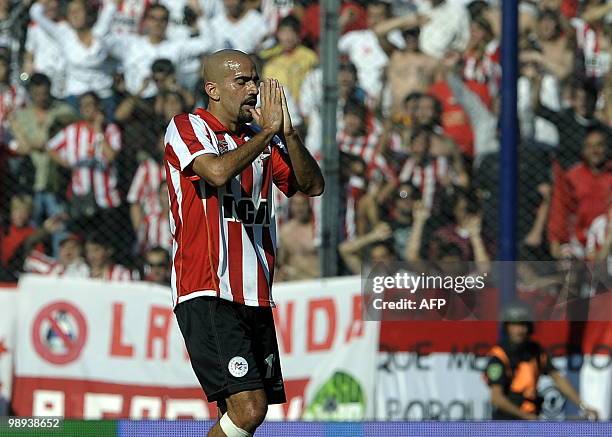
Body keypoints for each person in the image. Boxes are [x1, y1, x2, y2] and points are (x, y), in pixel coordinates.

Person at [165, 49, 323, 436]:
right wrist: (268, 133)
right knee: (249, 408)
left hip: (254, 290)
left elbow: (311, 186)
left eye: (255, 80)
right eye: (243, 81)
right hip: (207, 286)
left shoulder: (259, 137)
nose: (253, 88)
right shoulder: (188, 126)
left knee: (245, 413)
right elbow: (216, 172)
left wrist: (286, 131)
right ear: (213, 89)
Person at [484, 302, 599, 420]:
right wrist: (526, 416)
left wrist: (583, 406)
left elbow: (558, 378)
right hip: (506, 423)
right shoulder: (499, 356)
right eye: (514, 325)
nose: (519, 330)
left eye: (523, 325)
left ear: (529, 328)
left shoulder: (536, 351)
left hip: (532, 419)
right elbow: (496, 398)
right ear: (507, 327)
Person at [276, 193, 319, 281]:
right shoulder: (285, 231)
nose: (299, 208)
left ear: (308, 205)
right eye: (295, 204)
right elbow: (281, 262)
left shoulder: (315, 229)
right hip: (296, 282)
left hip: (316, 280)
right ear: (290, 206)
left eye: (303, 204)